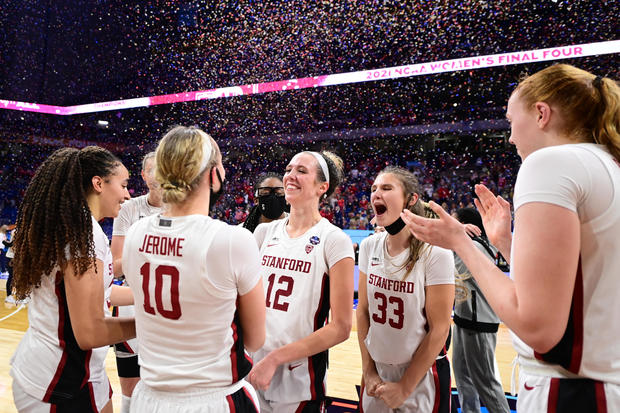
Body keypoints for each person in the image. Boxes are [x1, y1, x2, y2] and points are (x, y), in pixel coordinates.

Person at [401, 64, 620, 411]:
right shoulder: (607, 163)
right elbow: (583, 278)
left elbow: (538, 328)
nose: (511, 137)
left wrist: (461, 242)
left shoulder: (551, 162)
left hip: (572, 392)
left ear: (541, 113)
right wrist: (506, 244)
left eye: (510, 121)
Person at [122, 125, 265, 412]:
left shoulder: (135, 233)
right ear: (213, 175)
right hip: (212, 398)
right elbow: (255, 338)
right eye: (221, 165)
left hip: (147, 396)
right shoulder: (232, 240)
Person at [10, 146, 136, 413]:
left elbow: (97, 294)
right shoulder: (83, 238)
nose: (127, 194)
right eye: (123, 185)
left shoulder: (80, 227)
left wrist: (148, 297)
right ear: (98, 183)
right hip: (58, 378)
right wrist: (154, 324)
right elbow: (89, 332)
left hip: (73, 369)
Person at [248, 150, 354, 412]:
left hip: (298, 382)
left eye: (302, 171)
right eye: (288, 169)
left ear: (322, 187)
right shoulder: (263, 233)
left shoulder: (334, 240)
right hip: (252, 372)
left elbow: (341, 327)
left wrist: (275, 359)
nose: (290, 176)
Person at [357, 166, 455, 412]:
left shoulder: (435, 252)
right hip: (376, 373)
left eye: (387, 188)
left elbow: (440, 328)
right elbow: (363, 312)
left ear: (410, 200)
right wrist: (368, 371)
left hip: (421, 376)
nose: (376, 193)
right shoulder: (369, 246)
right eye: (374, 189)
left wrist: (404, 387)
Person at [110, 151, 164, 413]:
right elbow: (115, 267)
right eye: (153, 170)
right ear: (143, 175)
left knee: (164, 386)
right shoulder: (129, 209)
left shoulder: (184, 208)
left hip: (166, 304)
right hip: (131, 302)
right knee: (129, 389)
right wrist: (147, 249)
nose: (159, 175)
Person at [452, 208, 510, 413]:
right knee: (463, 379)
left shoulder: (476, 246)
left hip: (478, 323)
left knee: (486, 383)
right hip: (462, 318)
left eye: (454, 221)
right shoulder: (464, 245)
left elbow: (456, 273)